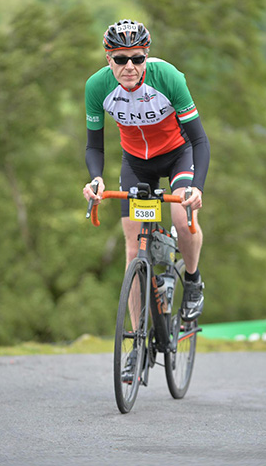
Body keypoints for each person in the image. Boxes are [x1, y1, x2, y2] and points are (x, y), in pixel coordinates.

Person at [83, 19, 210, 324]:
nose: (130, 66)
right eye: (120, 59)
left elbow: (200, 140)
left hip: (178, 155)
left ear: (146, 56)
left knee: (182, 216)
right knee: (134, 248)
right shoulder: (97, 87)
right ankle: (136, 339)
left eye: (137, 58)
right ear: (108, 59)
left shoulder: (167, 77)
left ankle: (192, 282)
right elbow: (94, 147)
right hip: (136, 164)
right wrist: (96, 178)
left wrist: (198, 189)